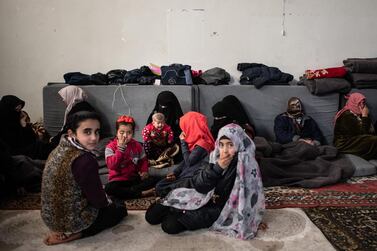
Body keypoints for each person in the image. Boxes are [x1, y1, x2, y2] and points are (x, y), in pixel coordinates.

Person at [145, 123, 266, 239]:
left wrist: (252, 220)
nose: (224, 150)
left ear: (239, 143)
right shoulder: (213, 157)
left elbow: (249, 196)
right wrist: (217, 169)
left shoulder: (246, 164)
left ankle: (179, 211)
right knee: (151, 216)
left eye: (230, 145)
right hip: (199, 195)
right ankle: (175, 208)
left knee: (169, 226)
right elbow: (199, 185)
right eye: (222, 144)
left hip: (218, 208)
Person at [41, 111, 127, 245]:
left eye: (97, 132)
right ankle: (77, 233)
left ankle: (59, 229)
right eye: (87, 132)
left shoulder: (58, 149)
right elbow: (99, 201)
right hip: (72, 220)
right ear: (72, 133)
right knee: (119, 208)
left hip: (50, 218)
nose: (94, 138)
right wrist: (108, 201)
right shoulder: (85, 160)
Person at [155, 111, 215, 197]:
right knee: (161, 183)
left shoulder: (203, 144)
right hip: (185, 174)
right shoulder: (196, 141)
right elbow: (185, 162)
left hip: (191, 179)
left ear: (191, 127)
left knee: (161, 187)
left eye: (185, 128)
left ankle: (156, 191)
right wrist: (175, 172)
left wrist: (183, 142)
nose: (183, 131)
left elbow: (189, 161)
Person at [105, 115, 158, 201]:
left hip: (133, 179)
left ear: (133, 133)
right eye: (122, 132)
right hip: (118, 181)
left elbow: (143, 161)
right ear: (117, 133)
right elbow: (112, 166)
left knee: (155, 179)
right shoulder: (110, 147)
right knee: (109, 188)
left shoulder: (137, 145)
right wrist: (120, 149)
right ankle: (142, 193)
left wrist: (144, 171)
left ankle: (129, 192)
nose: (125, 135)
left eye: (129, 133)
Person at [0, 95, 52, 159]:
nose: (20, 113)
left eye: (20, 109)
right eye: (17, 110)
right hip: (14, 154)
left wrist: (24, 125)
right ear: (8, 110)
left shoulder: (17, 121)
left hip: (25, 149)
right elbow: (14, 145)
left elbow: (32, 139)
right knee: (39, 147)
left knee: (41, 145)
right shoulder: (4, 125)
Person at [334, 92, 377, 160]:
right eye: (360, 103)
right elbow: (363, 133)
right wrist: (365, 116)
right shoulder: (346, 116)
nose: (362, 106)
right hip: (344, 144)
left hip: (355, 140)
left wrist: (365, 116)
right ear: (353, 103)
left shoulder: (358, 115)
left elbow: (369, 132)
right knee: (373, 140)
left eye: (363, 103)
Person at [146, 91, 184, 158]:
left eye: (165, 107)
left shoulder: (178, 119)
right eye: (161, 106)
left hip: (172, 146)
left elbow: (181, 134)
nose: (163, 108)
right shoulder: (154, 114)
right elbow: (147, 130)